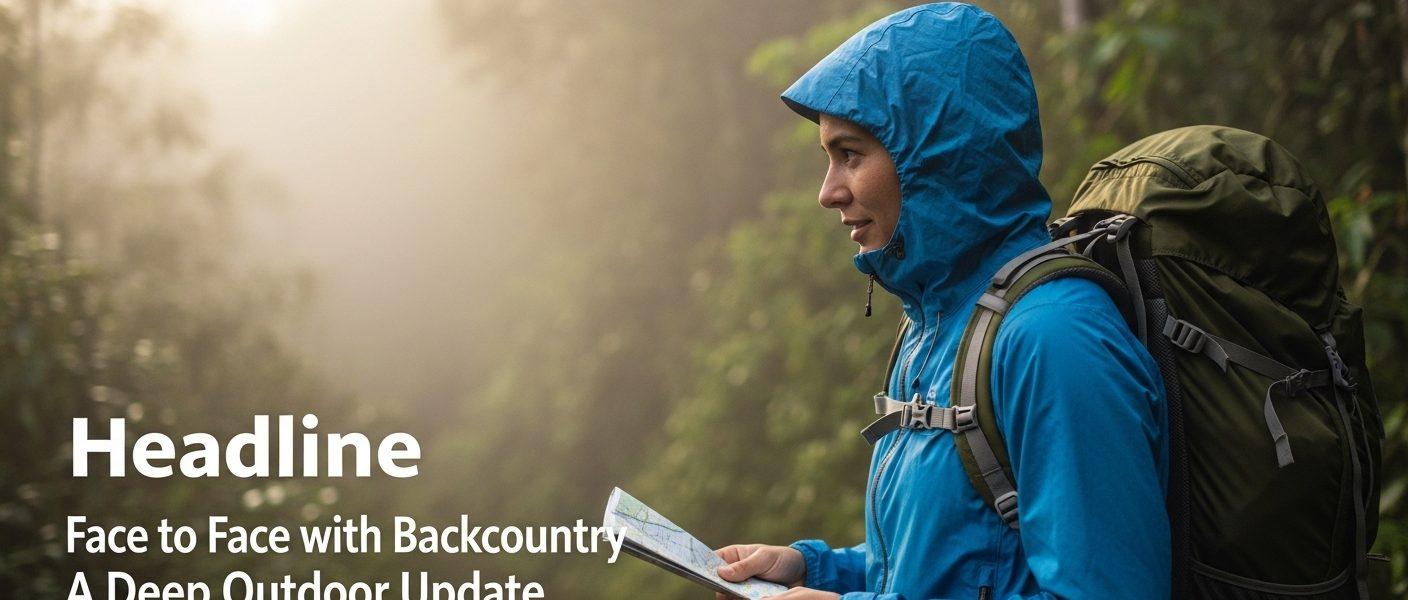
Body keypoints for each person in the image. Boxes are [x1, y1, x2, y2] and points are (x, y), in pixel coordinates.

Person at [713, 4, 1171, 599]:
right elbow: (957, 564)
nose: (828, 191)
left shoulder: (1053, 337)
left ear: (936, 155)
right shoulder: (937, 326)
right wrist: (815, 569)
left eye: (850, 154)